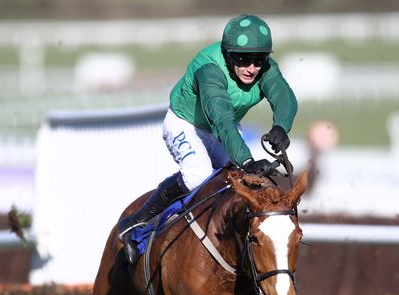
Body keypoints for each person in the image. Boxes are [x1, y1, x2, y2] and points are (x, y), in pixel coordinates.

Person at [118, 13, 298, 264]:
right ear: (228, 54)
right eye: (243, 59)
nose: (252, 68)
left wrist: (281, 127)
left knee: (240, 182)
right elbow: (222, 121)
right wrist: (246, 160)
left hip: (221, 126)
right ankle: (138, 222)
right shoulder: (209, 69)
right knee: (198, 176)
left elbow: (284, 97)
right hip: (186, 123)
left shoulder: (263, 68)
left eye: (259, 60)